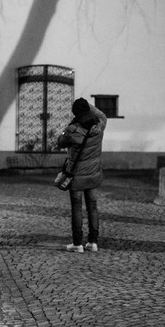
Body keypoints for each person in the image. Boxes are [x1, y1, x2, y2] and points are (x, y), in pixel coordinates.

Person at [56, 98, 107, 252]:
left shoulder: (73, 130)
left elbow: (60, 142)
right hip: (93, 174)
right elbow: (102, 115)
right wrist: (86, 106)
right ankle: (93, 242)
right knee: (93, 207)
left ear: (76, 113)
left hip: (77, 176)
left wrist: (68, 127)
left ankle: (77, 243)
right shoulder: (99, 126)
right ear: (88, 110)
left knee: (77, 208)